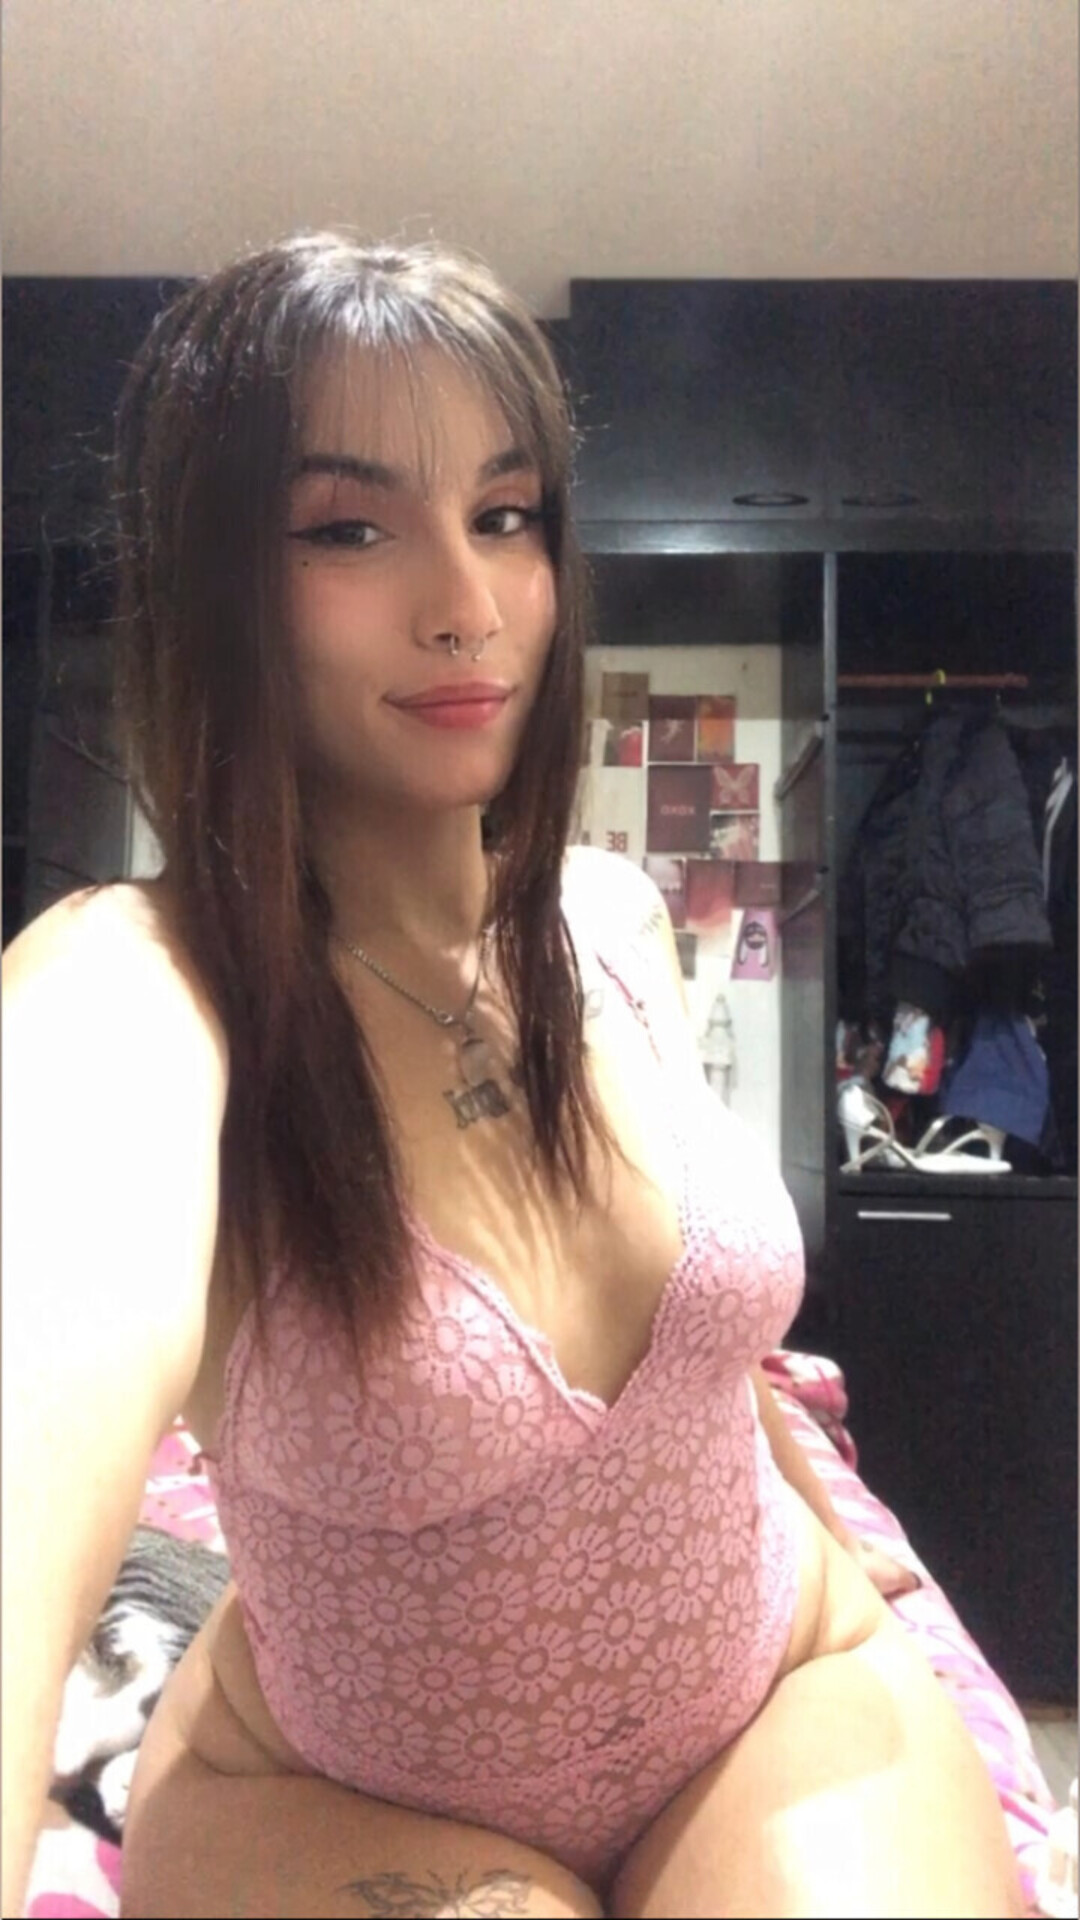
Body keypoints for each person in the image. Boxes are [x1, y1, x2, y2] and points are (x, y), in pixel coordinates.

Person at [3, 234, 1024, 1920]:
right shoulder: (137, 993)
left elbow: (698, 1358)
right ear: (213, 580)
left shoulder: (614, 918)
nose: (467, 603)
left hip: (777, 1688)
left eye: (505, 514)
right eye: (348, 529)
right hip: (333, 1797)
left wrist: (818, 1501)